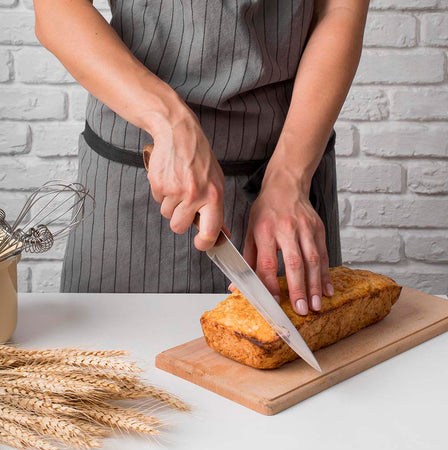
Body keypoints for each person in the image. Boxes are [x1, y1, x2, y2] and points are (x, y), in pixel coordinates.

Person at [34, 0, 369, 316]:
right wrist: (169, 120)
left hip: (290, 180)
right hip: (134, 179)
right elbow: (56, 10)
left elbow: (338, 9)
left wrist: (291, 177)